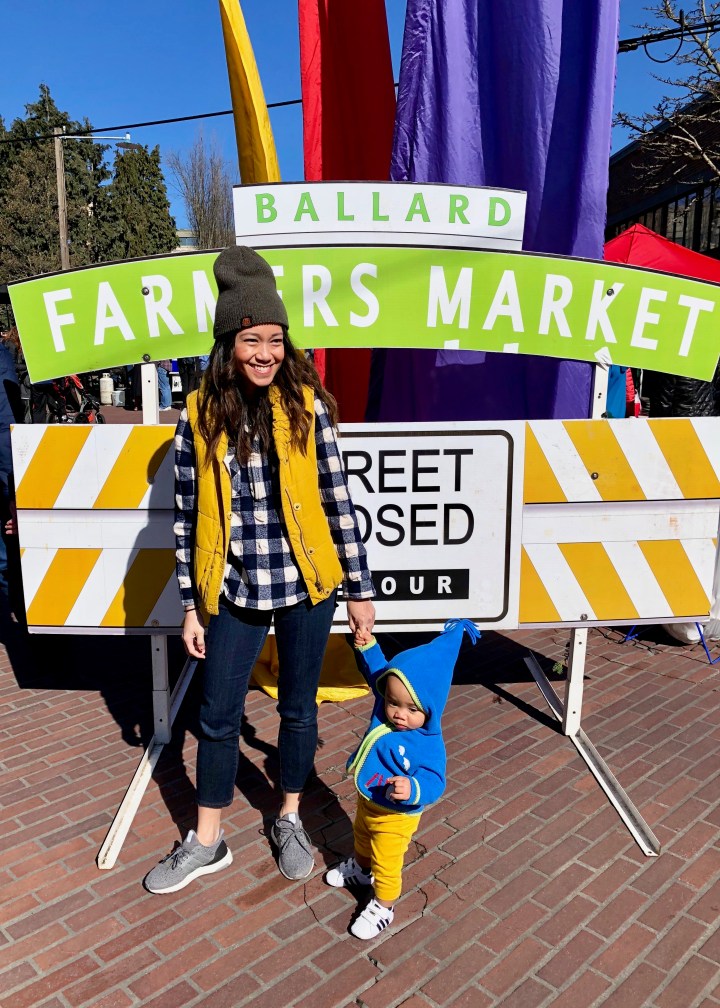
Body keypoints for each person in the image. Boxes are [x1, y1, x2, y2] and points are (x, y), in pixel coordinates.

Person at [144, 245, 375, 894]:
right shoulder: (199, 415)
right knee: (218, 715)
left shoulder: (306, 407)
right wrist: (191, 604)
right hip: (234, 590)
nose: (266, 353)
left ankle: (290, 817)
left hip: (307, 586)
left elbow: (337, 500)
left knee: (298, 709)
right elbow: (186, 518)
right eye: (252, 340)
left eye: (275, 339)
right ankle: (207, 840)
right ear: (229, 344)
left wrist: (360, 590)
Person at [325, 619, 479, 938]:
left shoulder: (428, 742)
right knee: (361, 837)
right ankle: (361, 870)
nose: (398, 713)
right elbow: (378, 673)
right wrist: (367, 646)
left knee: (387, 862)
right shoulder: (385, 706)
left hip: (396, 816)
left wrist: (414, 788)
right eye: (393, 703)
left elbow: (435, 780)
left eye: (411, 709)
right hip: (369, 799)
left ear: (430, 709)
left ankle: (384, 906)